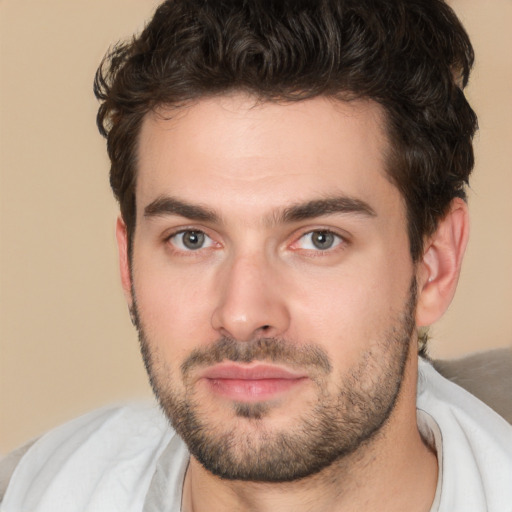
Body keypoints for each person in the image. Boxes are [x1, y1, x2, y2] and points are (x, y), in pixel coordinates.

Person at [1, 0, 512, 510]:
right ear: (128, 264)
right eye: (192, 239)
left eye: (318, 239)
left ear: (434, 264)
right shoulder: (31, 490)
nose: (243, 315)